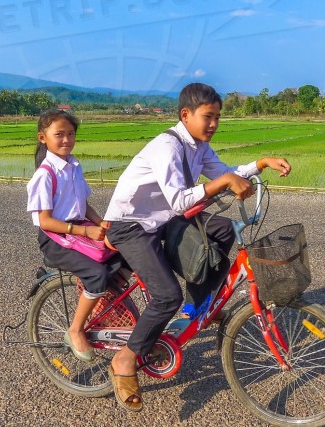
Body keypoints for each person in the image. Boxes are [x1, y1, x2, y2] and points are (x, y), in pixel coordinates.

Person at [103, 83, 291, 412]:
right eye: (208, 116)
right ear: (185, 115)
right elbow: (179, 199)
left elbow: (225, 173)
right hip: (133, 224)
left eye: (218, 117)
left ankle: (198, 306)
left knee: (221, 229)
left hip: (161, 220)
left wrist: (260, 163)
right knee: (165, 296)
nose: (214, 124)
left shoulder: (199, 146)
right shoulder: (168, 146)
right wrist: (222, 184)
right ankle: (125, 358)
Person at [25, 110, 125, 377]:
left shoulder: (73, 166)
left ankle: (105, 306)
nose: (66, 139)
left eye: (70, 134)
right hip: (55, 239)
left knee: (123, 253)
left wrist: (101, 223)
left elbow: (83, 204)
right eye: (59, 134)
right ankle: (76, 329)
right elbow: (45, 221)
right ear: (43, 138)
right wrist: (84, 230)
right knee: (97, 273)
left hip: (80, 230)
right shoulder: (44, 175)